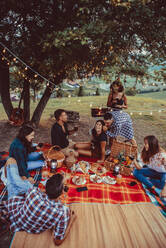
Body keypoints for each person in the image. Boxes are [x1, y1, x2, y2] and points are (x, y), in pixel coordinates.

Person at [0, 174, 76, 245]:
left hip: (15, 212)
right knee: (12, 175)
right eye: (65, 186)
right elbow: (57, 241)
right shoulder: (62, 212)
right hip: (30, 227)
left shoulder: (33, 191)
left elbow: (26, 195)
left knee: (11, 170)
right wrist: (72, 219)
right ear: (62, 192)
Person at [5, 125, 45, 199]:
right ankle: (43, 161)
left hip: (24, 157)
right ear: (25, 135)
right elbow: (21, 165)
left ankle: (41, 155)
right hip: (19, 163)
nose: (33, 137)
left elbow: (27, 150)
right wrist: (28, 176)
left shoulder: (23, 140)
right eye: (32, 135)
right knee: (41, 163)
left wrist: (35, 148)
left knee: (38, 154)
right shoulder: (18, 147)